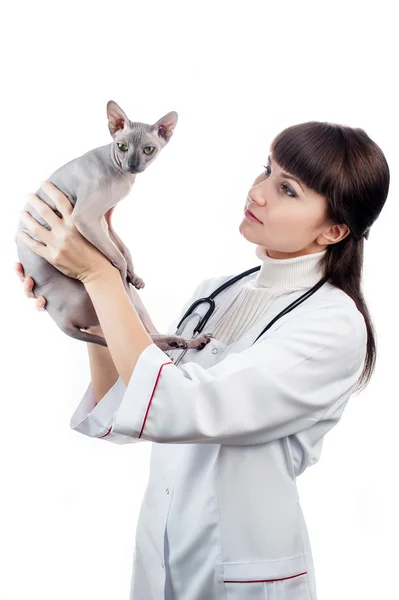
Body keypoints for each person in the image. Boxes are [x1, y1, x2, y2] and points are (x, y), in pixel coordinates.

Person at [15, 120, 390, 600]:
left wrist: (100, 273)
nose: (257, 193)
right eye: (265, 171)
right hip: (163, 552)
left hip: (245, 571)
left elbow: (175, 405)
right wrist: (85, 295)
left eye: (287, 189)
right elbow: (129, 401)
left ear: (334, 230)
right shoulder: (217, 294)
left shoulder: (333, 325)